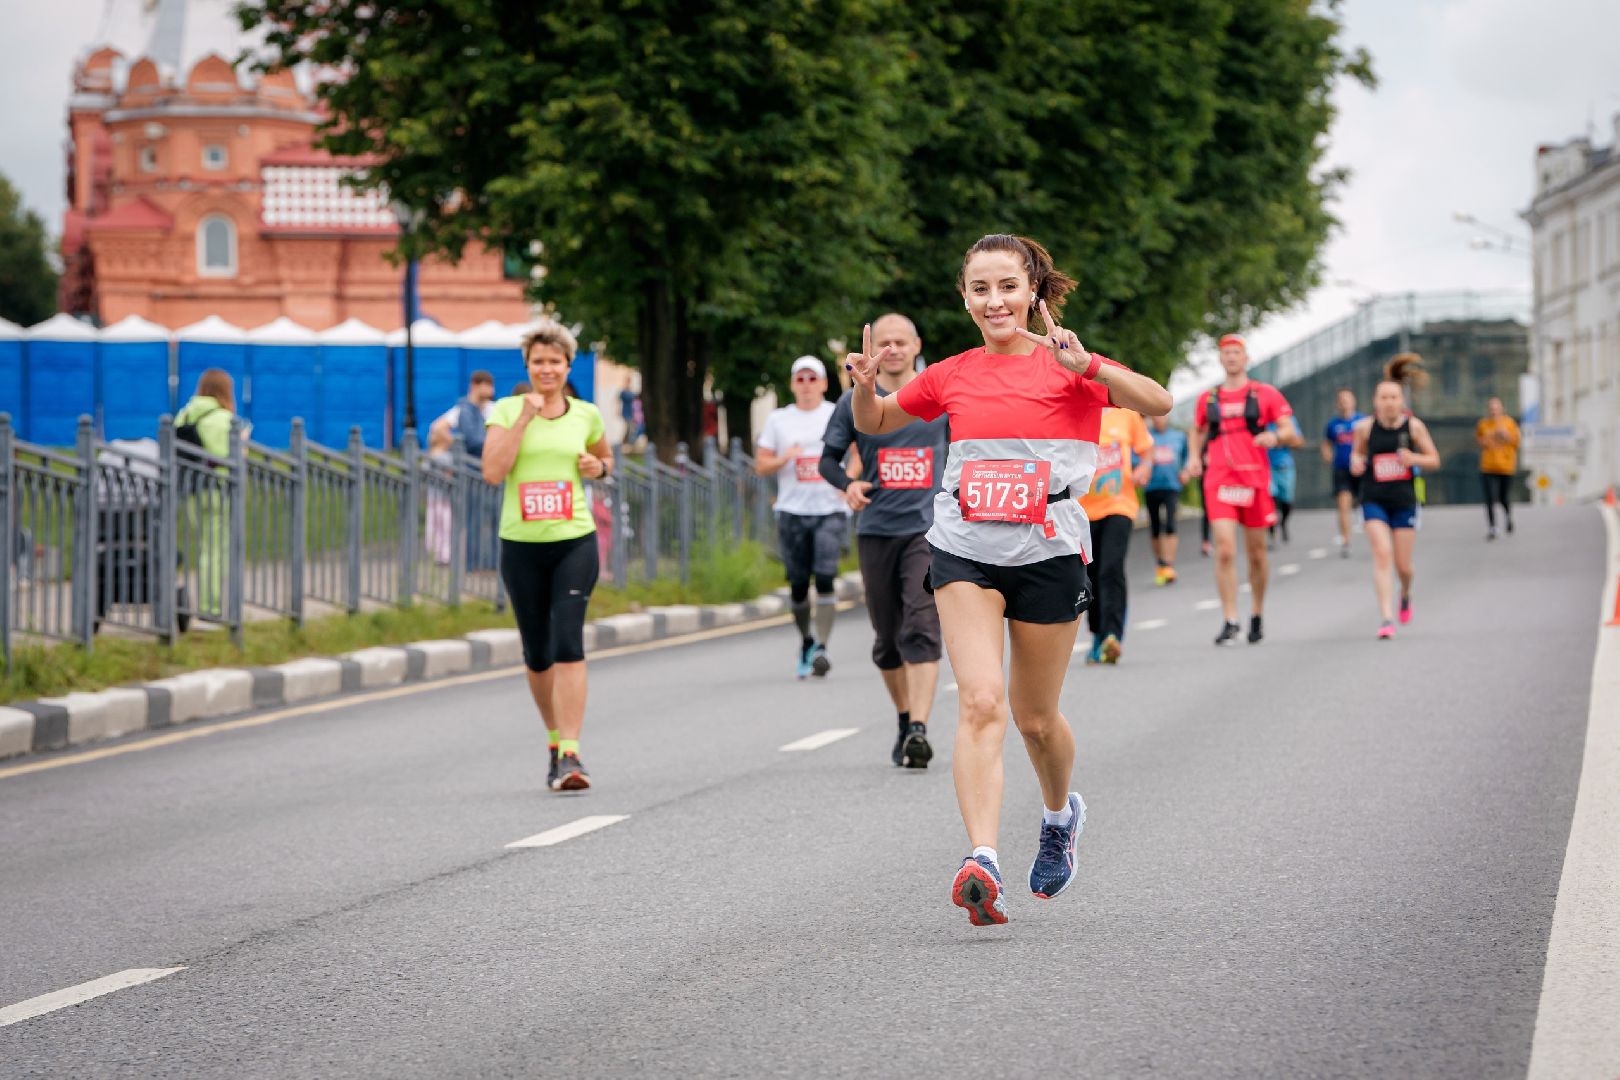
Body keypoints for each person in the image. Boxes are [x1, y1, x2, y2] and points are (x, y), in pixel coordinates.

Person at [847, 233, 1171, 926]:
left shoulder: (1070, 362)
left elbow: (1159, 401)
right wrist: (865, 386)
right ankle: (983, 858)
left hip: (1049, 549)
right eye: (980, 289)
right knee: (980, 702)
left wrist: (1094, 370)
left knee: (1035, 718)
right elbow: (874, 422)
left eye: (1006, 287)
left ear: (1033, 292)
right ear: (964, 299)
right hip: (964, 545)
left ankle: (1059, 816)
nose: (994, 301)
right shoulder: (952, 373)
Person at [481, 323, 613, 792]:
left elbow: (605, 460)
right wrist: (523, 421)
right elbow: (493, 472)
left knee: (567, 642)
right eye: (538, 362)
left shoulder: (586, 414)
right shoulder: (506, 410)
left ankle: (573, 754)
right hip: (521, 545)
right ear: (528, 367)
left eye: (555, 361)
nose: (547, 369)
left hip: (574, 540)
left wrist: (597, 467)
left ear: (567, 366)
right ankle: (554, 742)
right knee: (537, 655)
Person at [819, 313, 950, 768]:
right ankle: (903, 717)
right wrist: (848, 485)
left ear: (916, 345)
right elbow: (828, 461)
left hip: (928, 529)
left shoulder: (938, 398)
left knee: (921, 626)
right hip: (876, 530)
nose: (892, 349)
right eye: (884, 342)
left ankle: (919, 728)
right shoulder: (856, 398)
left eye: (900, 341)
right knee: (887, 639)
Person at [1185, 334, 1302, 646]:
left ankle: (1257, 612)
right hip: (1220, 480)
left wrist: (1275, 437)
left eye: (1237, 353)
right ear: (1221, 360)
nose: (1232, 358)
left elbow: (1289, 430)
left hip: (1254, 481)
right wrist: (1195, 457)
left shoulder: (1265, 394)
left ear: (1246, 359)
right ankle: (1230, 618)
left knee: (1258, 555)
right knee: (1224, 550)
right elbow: (1196, 431)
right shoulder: (1208, 399)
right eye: (1227, 353)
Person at [756, 356, 850, 679]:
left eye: (813, 379)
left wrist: (846, 483)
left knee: (824, 577)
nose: (807, 385)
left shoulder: (836, 413)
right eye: (801, 379)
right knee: (798, 585)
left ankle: (823, 646)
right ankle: (806, 641)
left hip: (830, 509)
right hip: (792, 510)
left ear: (824, 383)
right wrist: (787, 458)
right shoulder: (779, 420)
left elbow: (861, 453)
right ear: (793, 384)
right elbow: (761, 464)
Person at [1349, 355, 1441, 639]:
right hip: (1373, 498)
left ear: (1402, 400)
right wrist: (1355, 461)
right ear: (1375, 401)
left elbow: (1434, 459)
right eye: (1383, 397)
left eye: (1393, 397)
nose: (1388, 402)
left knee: (1403, 565)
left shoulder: (1414, 427)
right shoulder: (1364, 427)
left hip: (1403, 500)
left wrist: (1413, 457)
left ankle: (1406, 591)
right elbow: (1357, 452)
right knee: (1382, 554)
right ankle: (1386, 618)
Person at [1077, 408, 1153, 663]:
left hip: (1119, 505)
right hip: (1082, 510)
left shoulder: (1128, 415)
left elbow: (1147, 450)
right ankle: (1097, 633)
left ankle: (1112, 636)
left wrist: (1145, 467)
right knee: (1089, 574)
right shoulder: (1074, 412)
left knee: (1111, 568)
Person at [173, 368, 247, 620]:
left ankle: (206, 605)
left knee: (204, 548)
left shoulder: (183, 415)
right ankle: (211, 608)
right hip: (218, 490)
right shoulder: (224, 419)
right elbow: (231, 455)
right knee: (215, 551)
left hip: (191, 490)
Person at [1144, 414, 1187, 585]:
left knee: (1170, 524)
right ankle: (1160, 563)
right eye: (1155, 417)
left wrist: (1185, 471)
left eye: (1162, 416)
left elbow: (1187, 456)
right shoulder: (1147, 436)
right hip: (1152, 486)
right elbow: (1135, 456)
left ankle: (1169, 564)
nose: (1159, 419)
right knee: (1155, 527)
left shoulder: (1178, 436)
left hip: (1171, 486)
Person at [1321, 388, 1364, 557]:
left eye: (1348, 399)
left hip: (1361, 469)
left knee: (1365, 504)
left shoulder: (1362, 421)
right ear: (1337, 404)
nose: (1345, 403)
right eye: (1341, 400)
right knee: (1343, 504)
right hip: (1341, 469)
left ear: (1354, 401)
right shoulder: (1333, 425)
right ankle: (1346, 540)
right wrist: (1328, 455)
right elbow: (1326, 443)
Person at [1476, 396, 1520, 540]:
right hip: (1488, 466)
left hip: (1506, 466)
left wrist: (1504, 434)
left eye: (1496, 408)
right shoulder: (1483, 424)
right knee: (1489, 498)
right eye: (1491, 409)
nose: (1493, 411)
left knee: (1503, 497)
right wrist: (1491, 437)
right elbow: (1480, 442)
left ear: (1502, 409)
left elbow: (1516, 442)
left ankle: (1508, 516)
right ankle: (1493, 527)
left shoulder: (1509, 423)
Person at [1267, 423, 1296, 546]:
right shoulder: (1258, 419)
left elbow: (1299, 441)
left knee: (1286, 501)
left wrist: (1279, 439)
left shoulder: (1288, 421)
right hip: (1266, 467)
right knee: (1269, 500)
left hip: (1285, 467)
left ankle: (1283, 522)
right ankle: (1272, 533)